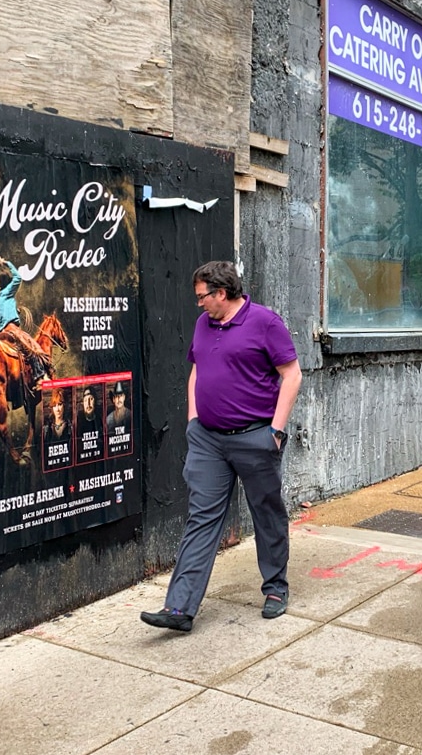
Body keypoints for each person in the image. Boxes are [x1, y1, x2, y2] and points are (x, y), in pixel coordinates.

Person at [141, 261, 302, 633]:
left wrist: (274, 433)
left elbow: (291, 375)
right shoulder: (203, 325)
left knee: (266, 512)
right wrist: (193, 423)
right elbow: (197, 369)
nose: (198, 304)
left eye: (202, 297)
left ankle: (275, 589)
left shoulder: (265, 323)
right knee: (202, 518)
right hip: (208, 440)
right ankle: (179, 608)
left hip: (255, 437)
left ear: (222, 293)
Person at [0, 258, 48, 391]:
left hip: (1, 332)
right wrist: (6, 263)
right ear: (8, 285)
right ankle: (40, 377)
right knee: (33, 348)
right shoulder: (8, 292)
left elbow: (3, 317)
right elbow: (18, 277)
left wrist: (15, 311)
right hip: (12, 329)